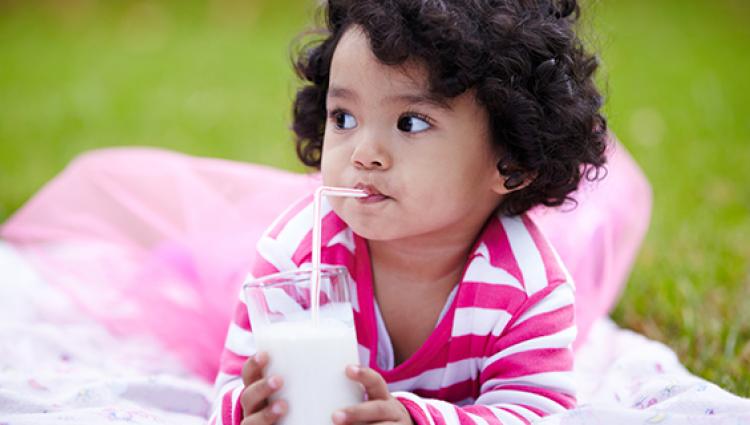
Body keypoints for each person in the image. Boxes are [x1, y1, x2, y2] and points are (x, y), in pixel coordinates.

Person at [209, 1, 647, 424]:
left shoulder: (527, 288)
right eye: (343, 118)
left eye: (410, 123)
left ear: (510, 162)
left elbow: (536, 413)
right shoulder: (295, 259)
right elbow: (230, 392)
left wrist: (419, 419)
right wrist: (248, 411)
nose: (364, 154)